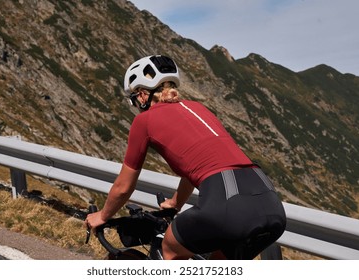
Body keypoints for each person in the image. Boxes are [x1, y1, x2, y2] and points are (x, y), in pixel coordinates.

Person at [85, 55, 286, 260]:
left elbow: (123, 187)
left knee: (168, 249)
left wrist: (102, 216)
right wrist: (175, 203)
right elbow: (199, 164)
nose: (135, 104)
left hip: (227, 202)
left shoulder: (144, 120)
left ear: (143, 95)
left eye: (134, 98)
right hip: (270, 200)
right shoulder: (198, 109)